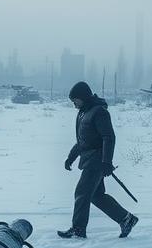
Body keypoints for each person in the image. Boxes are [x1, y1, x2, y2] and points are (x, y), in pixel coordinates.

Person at [58, 81, 139, 239]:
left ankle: (78, 229)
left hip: (96, 161)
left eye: (75, 100)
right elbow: (82, 140)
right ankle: (126, 219)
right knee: (96, 195)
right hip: (88, 159)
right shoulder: (83, 112)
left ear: (83, 97)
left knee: (81, 193)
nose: (73, 103)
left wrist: (106, 162)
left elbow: (109, 137)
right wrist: (71, 157)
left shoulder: (99, 112)